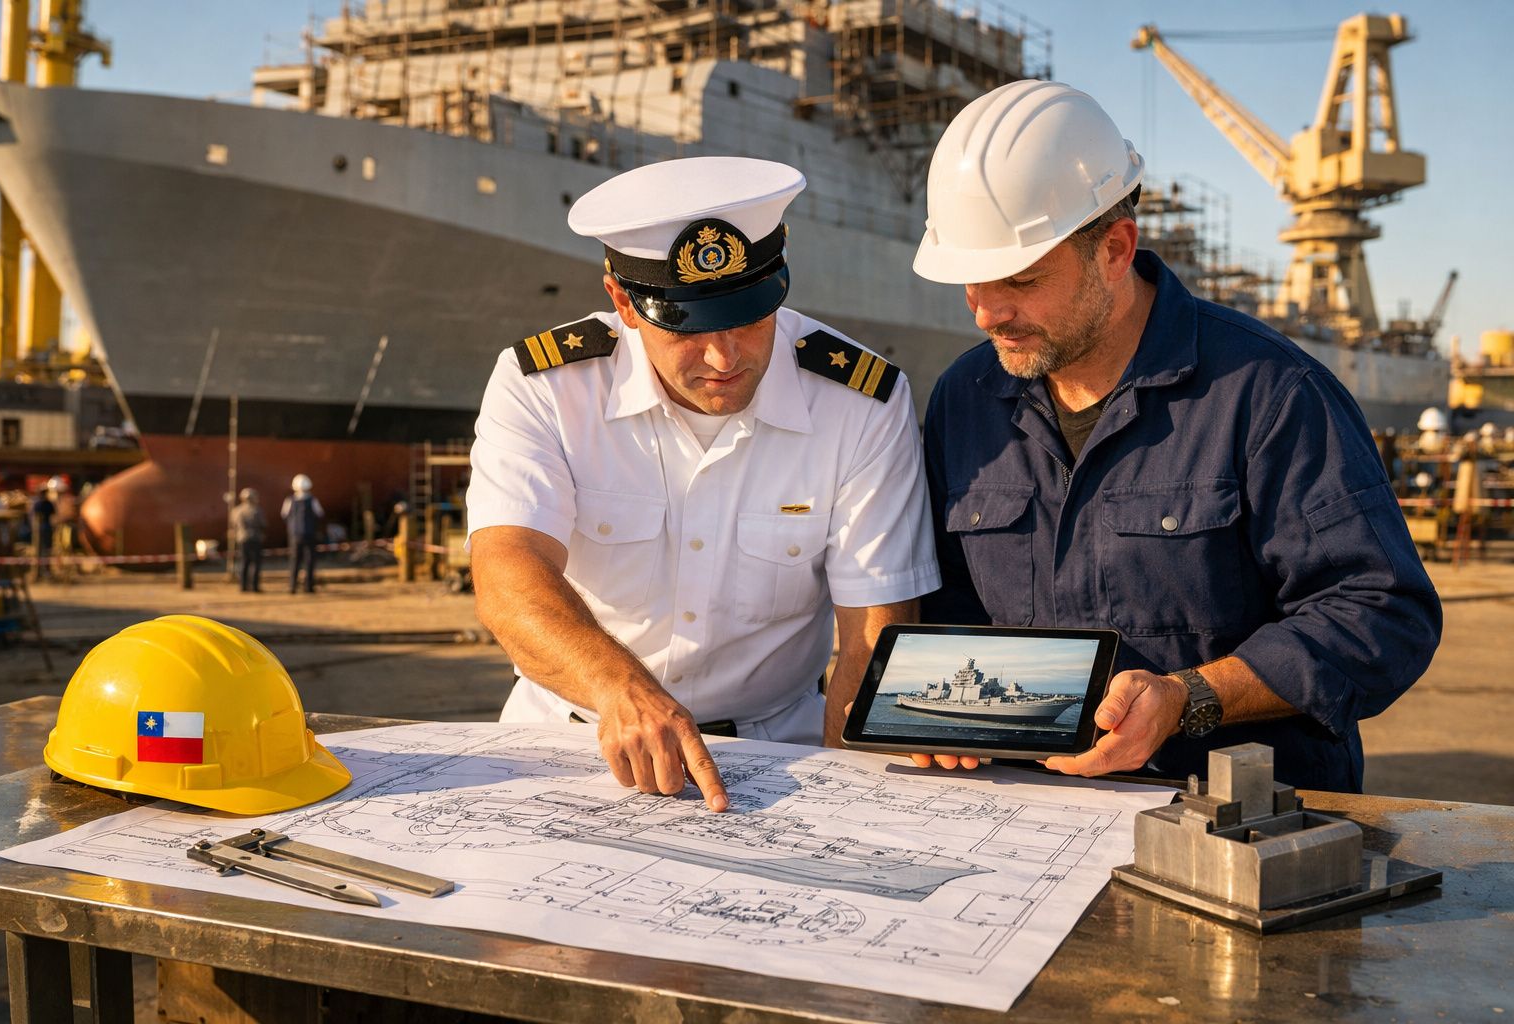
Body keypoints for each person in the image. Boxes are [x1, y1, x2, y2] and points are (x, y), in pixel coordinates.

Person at [911, 81, 1441, 792]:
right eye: (970, 284)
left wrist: (1190, 697)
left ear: (1115, 248)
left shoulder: (1269, 394)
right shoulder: (964, 400)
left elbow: (1382, 608)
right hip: (1030, 821)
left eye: (1020, 280)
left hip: (1236, 825)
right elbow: (946, 605)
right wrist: (932, 712)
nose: (986, 314)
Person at [466, 157, 939, 812]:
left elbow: (874, 633)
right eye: (689, 329)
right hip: (571, 741)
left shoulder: (861, 402)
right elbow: (506, 571)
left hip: (783, 758)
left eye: (749, 318)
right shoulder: (544, 386)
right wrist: (618, 688)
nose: (724, 359)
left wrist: (845, 804)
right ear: (624, 302)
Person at [281, 475, 323, 594]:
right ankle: (308, 586)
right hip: (310, 534)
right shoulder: (313, 500)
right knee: (309, 560)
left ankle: (292, 586)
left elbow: (284, 515)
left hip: (294, 535)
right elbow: (319, 514)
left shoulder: (290, 500)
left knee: (295, 560)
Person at [231, 487, 267, 592]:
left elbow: (233, 524)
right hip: (255, 538)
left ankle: (243, 586)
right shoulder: (257, 510)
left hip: (242, 539)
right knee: (255, 563)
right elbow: (263, 524)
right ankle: (255, 587)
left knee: (244, 562)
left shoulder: (236, 510)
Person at [30, 484, 57, 581]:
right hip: (42, 529)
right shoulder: (43, 503)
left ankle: (45, 570)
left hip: (43, 529)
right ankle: (41, 571)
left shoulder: (40, 503)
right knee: (41, 551)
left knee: (45, 551)